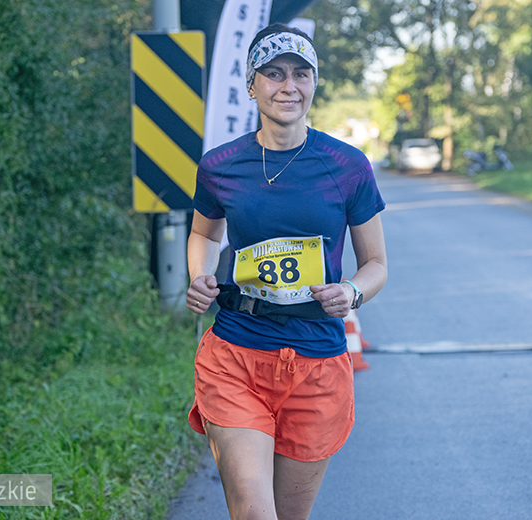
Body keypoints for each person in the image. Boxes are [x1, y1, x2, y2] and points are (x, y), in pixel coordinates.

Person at [185, 22, 388, 520]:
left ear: (315, 83)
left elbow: (376, 265)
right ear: (252, 84)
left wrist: (352, 293)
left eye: (301, 74)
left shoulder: (348, 165)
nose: (288, 86)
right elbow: (205, 235)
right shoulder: (221, 165)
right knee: (255, 514)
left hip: (317, 362)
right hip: (236, 352)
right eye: (273, 74)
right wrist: (200, 276)